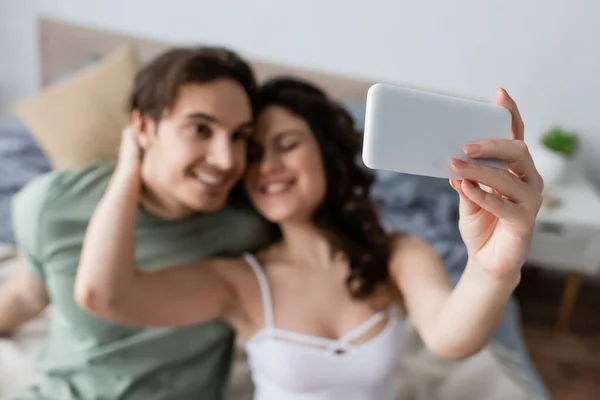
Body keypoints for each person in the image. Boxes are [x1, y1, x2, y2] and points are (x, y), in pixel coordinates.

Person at [75, 77, 544, 400]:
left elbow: (450, 340)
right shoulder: (240, 280)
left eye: (287, 144)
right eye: (253, 153)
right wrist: (128, 167)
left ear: (325, 151)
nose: (268, 167)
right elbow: (103, 295)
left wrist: (491, 269)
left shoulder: (398, 255)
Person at [0, 46, 271, 400]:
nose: (225, 160)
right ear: (143, 128)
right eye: (201, 130)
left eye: (239, 137)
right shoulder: (54, 205)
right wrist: (128, 170)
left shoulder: (250, 230)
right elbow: (25, 294)